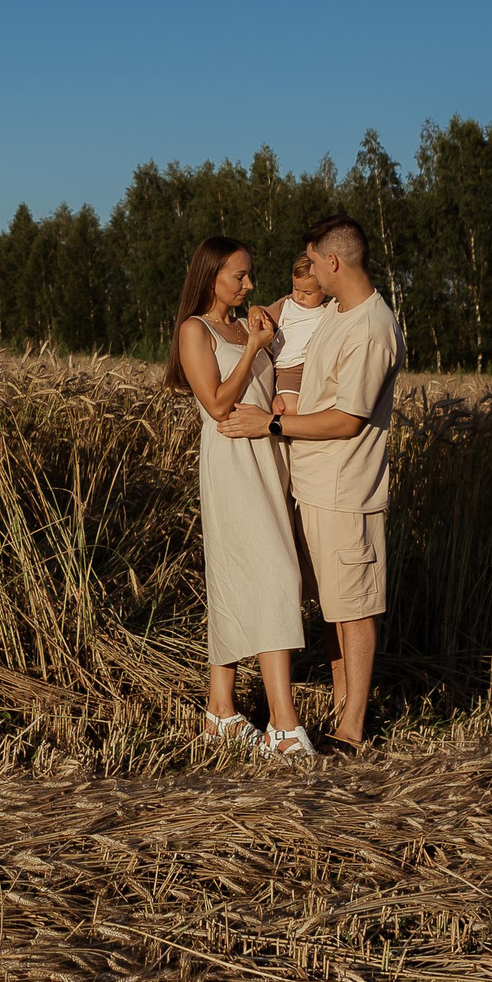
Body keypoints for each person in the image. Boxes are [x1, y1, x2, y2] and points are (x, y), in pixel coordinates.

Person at [217, 214, 403, 751]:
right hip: (314, 486)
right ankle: (344, 712)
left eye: (315, 260)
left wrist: (270, 423)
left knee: (356, 609)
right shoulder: (339, 315)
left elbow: (348, 419)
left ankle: (352, 731)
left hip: (348, 492)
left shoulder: (370, 327)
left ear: (334, 261)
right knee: (334, 610)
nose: (312, 271)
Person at [166, 236, 317, 759]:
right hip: (231, 459)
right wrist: (253, 348)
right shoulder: (196, 330)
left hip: (265, 456)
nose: (250, 284)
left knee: (237, 576)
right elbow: (215, 404)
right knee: (278, 572)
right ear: (211, 276)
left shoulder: (245, 325)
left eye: (250, 275)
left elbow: (300, 312)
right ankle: (283, 725)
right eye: (240, 276)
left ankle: (221, 712)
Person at [269, 252, 333, 415]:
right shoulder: (287, 305)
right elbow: (265, 314)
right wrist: (255, 310)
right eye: (295, 288)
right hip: (290, 368)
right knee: (291, 408)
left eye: (308, 292)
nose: (299, 295)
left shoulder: (329, 309)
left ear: (324, 290)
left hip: (316, 368)